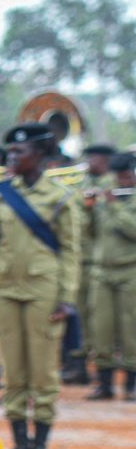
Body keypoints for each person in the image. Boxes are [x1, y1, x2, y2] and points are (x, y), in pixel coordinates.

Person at [0, 123, 81, 449]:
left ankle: (40, 446)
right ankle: (19, 445)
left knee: (42, 371)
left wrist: (67, 298)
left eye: (20, 151)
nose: (12, 157)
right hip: (4, 288)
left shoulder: (60, 197)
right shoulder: (0, 194)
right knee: (12, 370)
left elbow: (71, 252)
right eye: (10, 151)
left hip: (43, 290)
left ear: (40, 154)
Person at [86, 151, 136, 401]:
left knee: (131, 329)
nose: (123, 181)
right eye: (119, 177)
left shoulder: (120, 200)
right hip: (102, 272)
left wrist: (114, 206)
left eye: (127, 176)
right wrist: (88, 208)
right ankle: (104, 382)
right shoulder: (105, 194)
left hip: (131, 271)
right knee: (101, 328)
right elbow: (90, 232)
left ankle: (131, 383)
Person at [65, 144, 116, 386]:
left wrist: (100, 204)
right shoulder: (83, 184)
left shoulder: (116, 185)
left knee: (101, 318)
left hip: (103, 261)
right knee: (80, 315)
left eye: (94, 157)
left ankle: (109, 368)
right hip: (80, 259)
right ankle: (79, 365)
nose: (89, 161)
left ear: (105, 159)